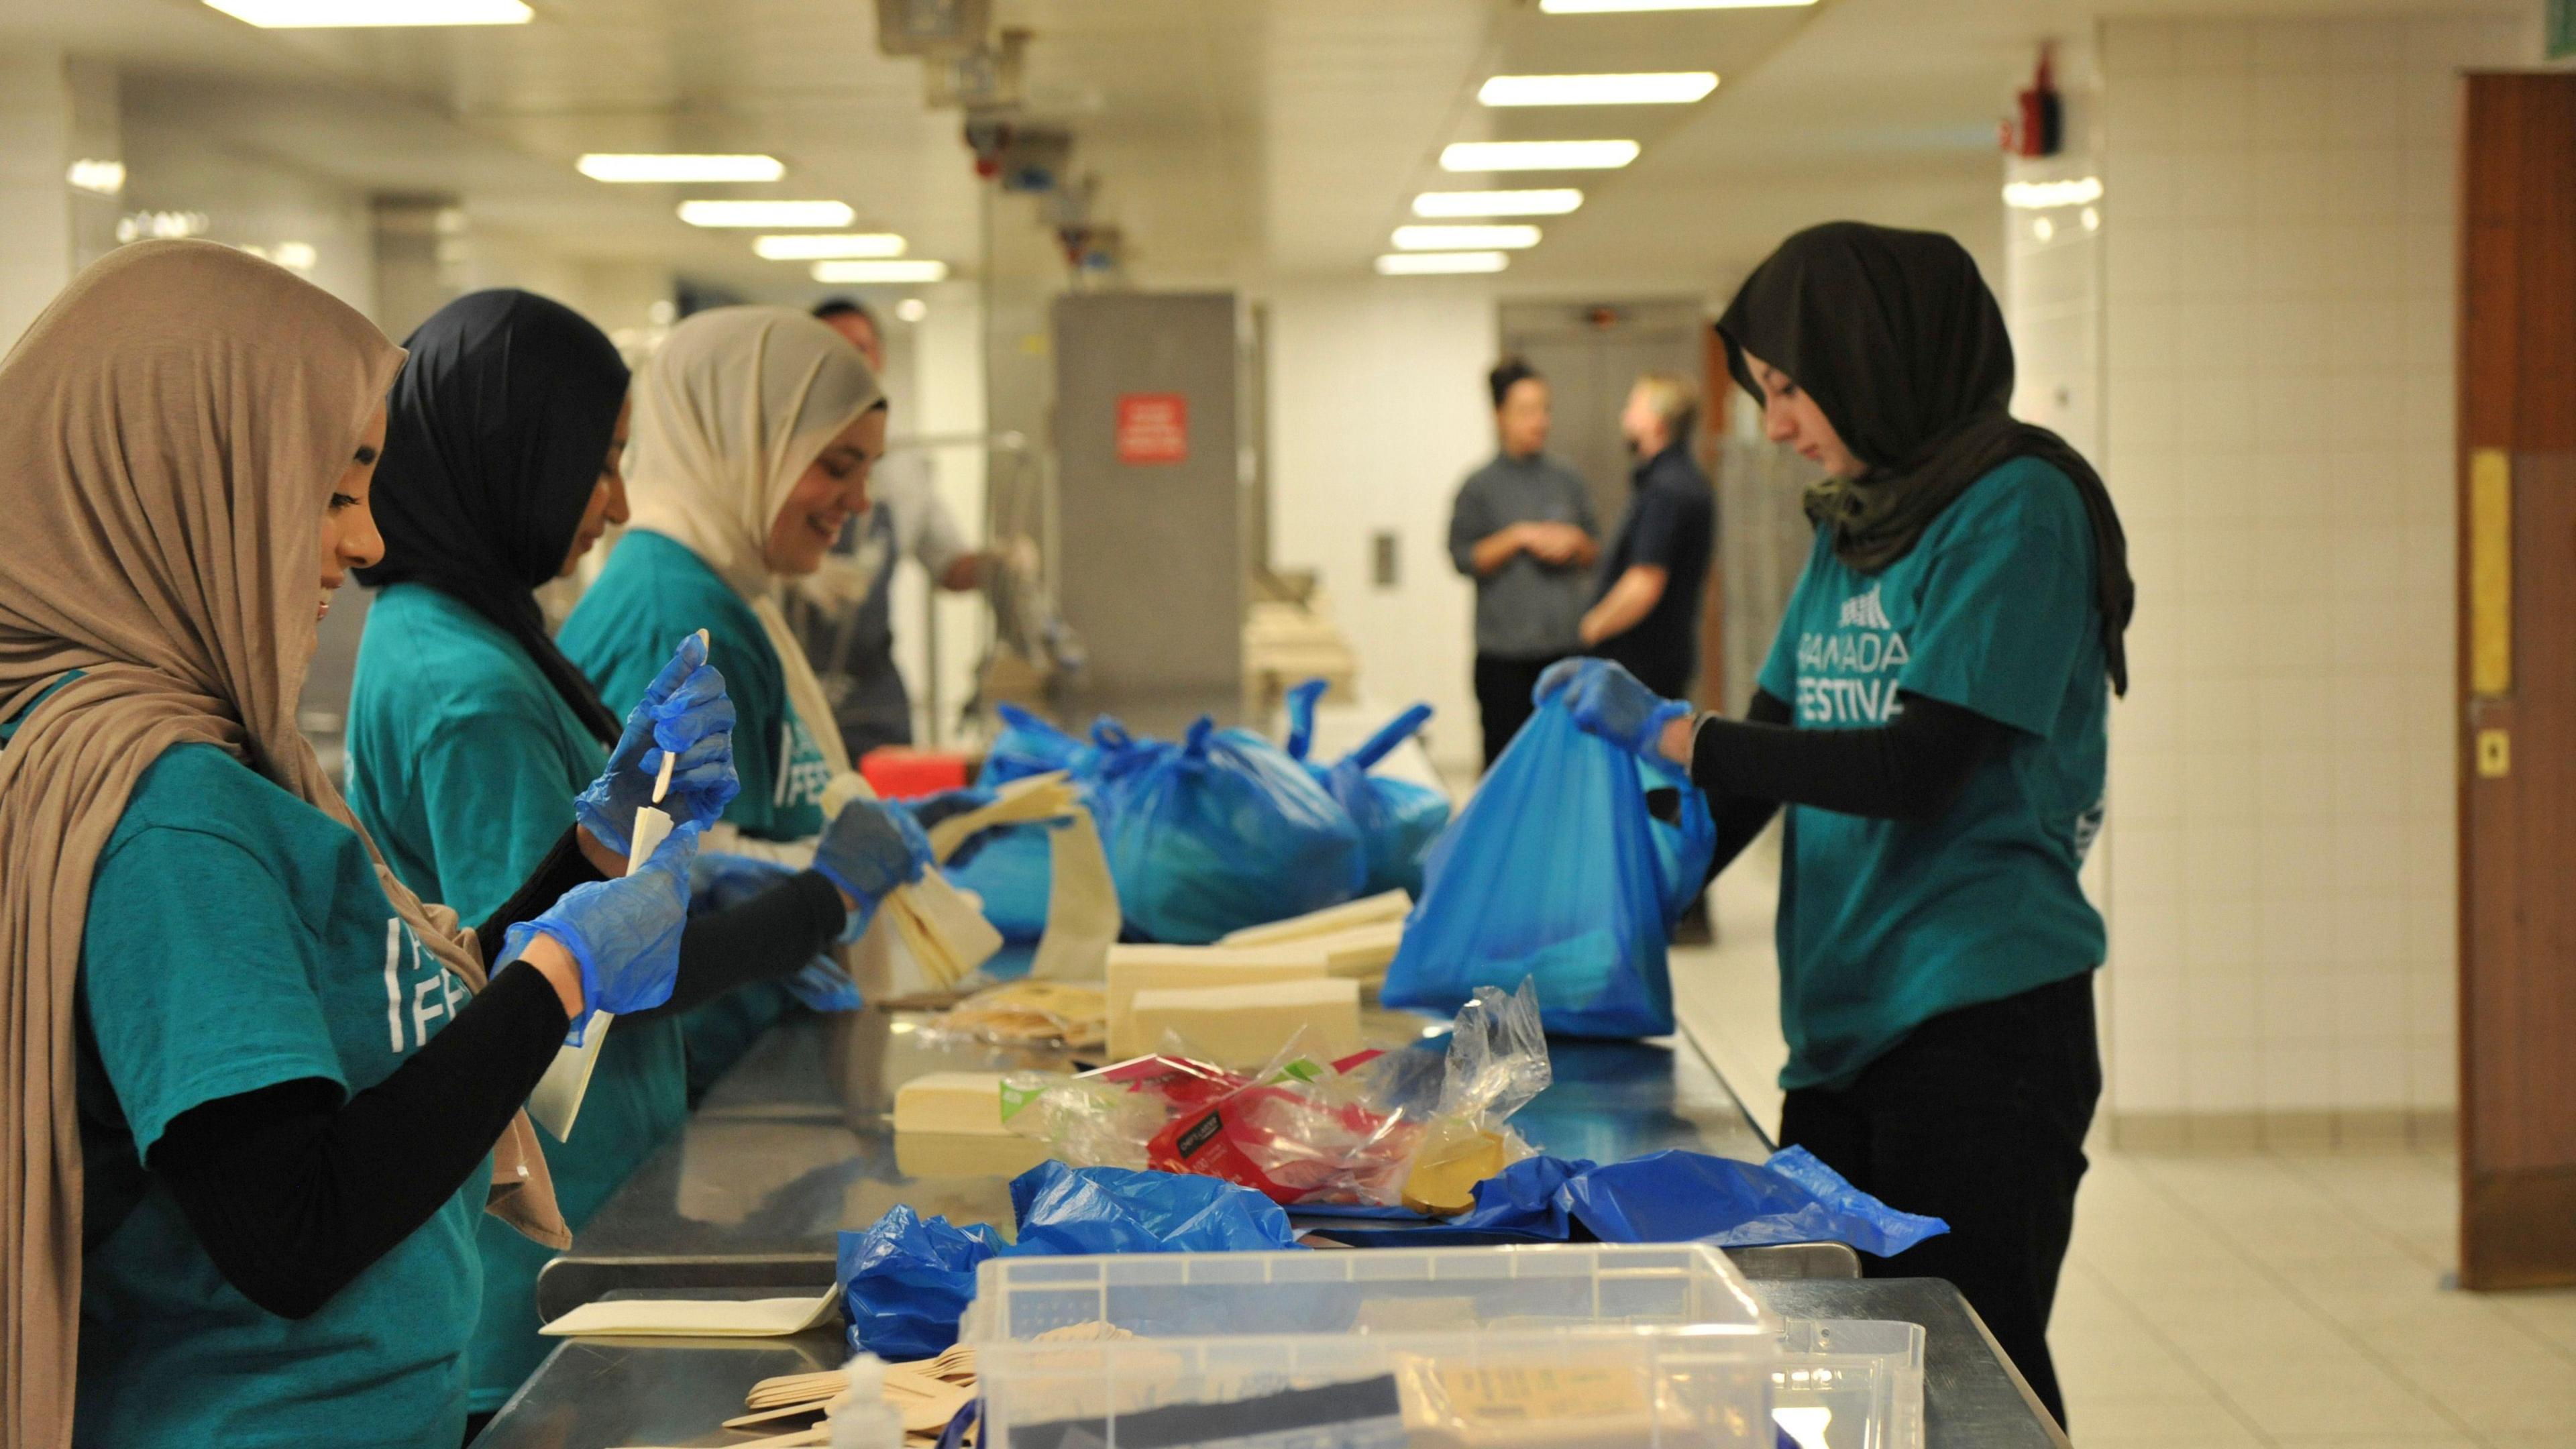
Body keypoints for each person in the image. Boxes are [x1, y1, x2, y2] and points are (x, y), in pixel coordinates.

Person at [0, 240, 737, 1449]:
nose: (363, 545)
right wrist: (561, 976)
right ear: (199, 482)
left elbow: (393, 1037)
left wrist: (590, 859)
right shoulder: (169, 808)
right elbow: (292, 1226)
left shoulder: (206, 761)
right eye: (333, 492)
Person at [1542, 221, 2133, 1431]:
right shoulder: (1855, 521)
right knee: (1849, 1348)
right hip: (1845, 1023)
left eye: (1789, 388)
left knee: (1975, 1366)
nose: (1775, 425)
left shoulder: (2018, 509)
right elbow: (1770, 755)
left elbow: (1919, 766)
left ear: (1874, 358)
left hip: (1980, 1020)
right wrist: (1619, 895)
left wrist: (1674, 735)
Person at [341, 288, 934, 1426]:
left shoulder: (481, 638)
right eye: (598, 462)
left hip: (590, 1195)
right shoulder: (466, 687)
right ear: (514, 455)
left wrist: (666, 862)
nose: (616, 503)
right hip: (537, 1250)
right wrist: (809, 900)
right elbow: (542, 991)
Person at [560, 306, 894, 1096]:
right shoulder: (677, 618)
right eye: (837, 465)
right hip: (690, 1075)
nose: (860, 500)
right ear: (747, 446)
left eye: (867, 470)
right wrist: (808, 895)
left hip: (730, 1056)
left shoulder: (731, 597)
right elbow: (628, 914)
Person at [795, 298, 1012, 757]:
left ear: (881, 359)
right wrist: (792, 575)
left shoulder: (906, 468)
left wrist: (1002, 562)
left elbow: (949, 566)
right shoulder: (778, 460)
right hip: (795, 682)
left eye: (860, 349)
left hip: (873, 692)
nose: (855, 502)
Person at [1446, 357, 1598, 768]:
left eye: (1544, 409)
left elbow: (1594, 551)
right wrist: (1518, 537)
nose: (1539, 421)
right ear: (1499, 416)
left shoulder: (1567, 479)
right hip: (1504, 661)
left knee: (1565, 767)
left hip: (1564, 655)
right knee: (1507, 767)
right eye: (1526, 411)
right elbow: (1463, 558)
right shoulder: (1478, 487)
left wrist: (1573, 542)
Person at [1579, 372, 1715, 701]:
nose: (1624, 416)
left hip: (1642, 664)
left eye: (1633, 407)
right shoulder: (1684, 480)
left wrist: (1591, 628)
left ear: (1657, 422)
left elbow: (1644, 582)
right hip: (1663, 658)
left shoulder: (1666, 491)